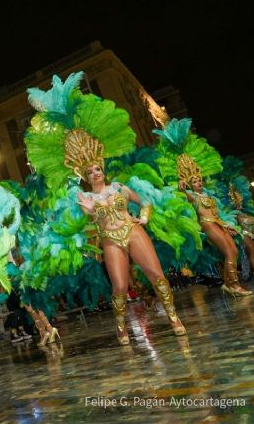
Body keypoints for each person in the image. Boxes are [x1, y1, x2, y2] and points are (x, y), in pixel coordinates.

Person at [76, 145, 187, 344]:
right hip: (110, 239)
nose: (94, 174)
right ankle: (121, 326)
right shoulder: (87, 198)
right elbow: (91, 221)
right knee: (119, 286)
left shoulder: (119, 187)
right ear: (85, 178)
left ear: (103, 170)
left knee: (156, 275)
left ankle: (173, 317)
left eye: (97, 169)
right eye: (89, 172)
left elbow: (145, 201)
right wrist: (92, 211)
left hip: (133, 231)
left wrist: (144, 217)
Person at [177, 155, 252, 296]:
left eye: (200, 180)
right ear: (190, 184)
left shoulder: (209, 197)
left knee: (234, 252)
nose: (199, 182)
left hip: (219, 224)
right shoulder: (193, 196)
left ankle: (228, 284)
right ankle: (235, 286)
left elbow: (217, 216)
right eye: (195, 181)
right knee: (229, 253)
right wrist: (181, 186)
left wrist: (228, 226)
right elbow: (182, 193)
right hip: (208, 225)